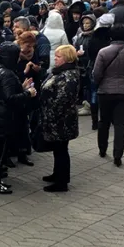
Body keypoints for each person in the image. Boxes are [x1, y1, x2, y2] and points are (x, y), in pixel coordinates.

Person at [0, 43, 36, 194]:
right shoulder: (6, 73)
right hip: (3, 117)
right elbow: (9, 98)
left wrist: (20, 87)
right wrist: (28, 93)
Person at [92, 24, 124, 167]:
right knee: (120, 124)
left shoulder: (103, 52)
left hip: (105, 91)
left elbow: (96, 73)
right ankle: (118, 155)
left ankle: (102, 149)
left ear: (110, 36)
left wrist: (98, 83)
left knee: (104, 121)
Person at [39, 45, 80, 192]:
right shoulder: (61, 72)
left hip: (62, 120)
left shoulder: (68, 75)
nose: (55, 59)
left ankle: (62, 182)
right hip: (57, 118)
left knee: (61, 149)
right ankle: (57, 174)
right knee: (58, 149)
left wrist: (50, 111)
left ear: (67, 58)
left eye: (58, 56)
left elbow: (62, 99)